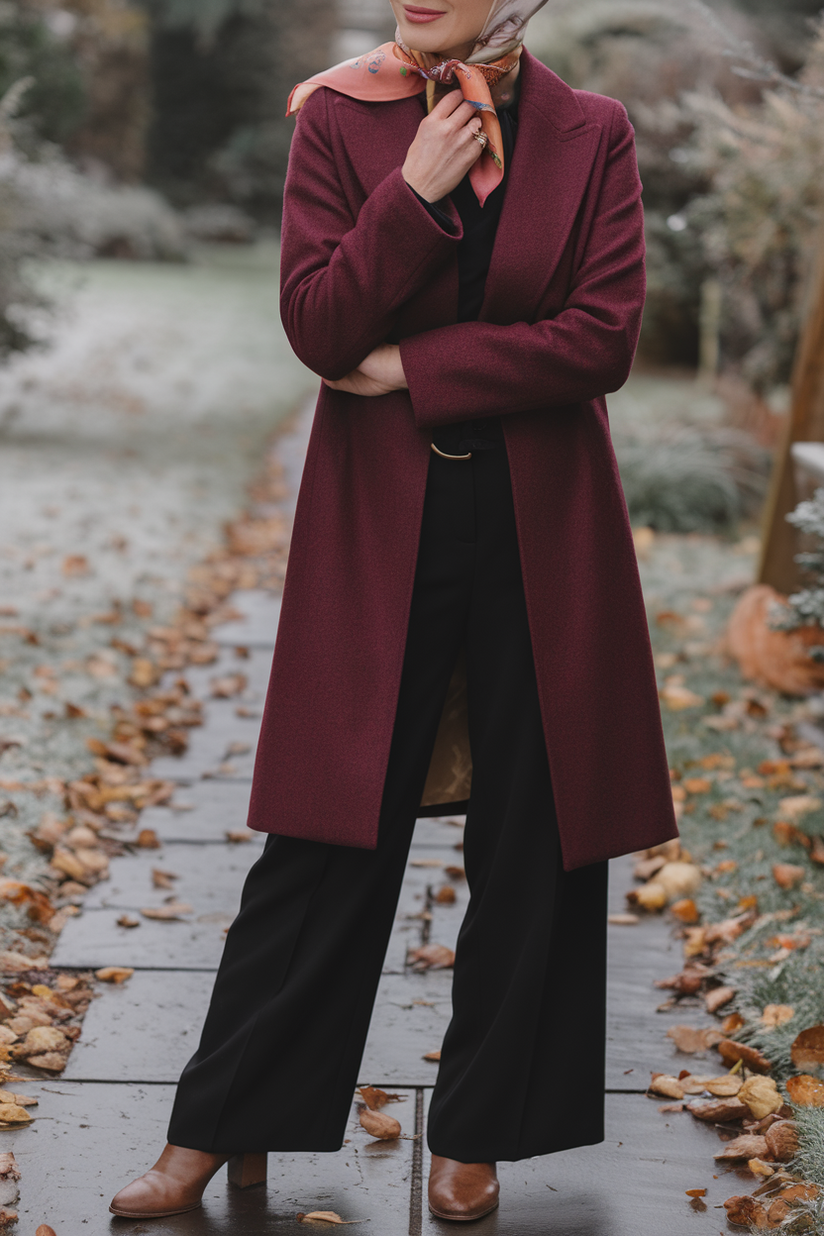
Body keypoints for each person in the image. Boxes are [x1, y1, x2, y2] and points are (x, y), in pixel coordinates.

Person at [110, 0, 679, 1223]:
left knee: (535, 835)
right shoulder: (338, 118)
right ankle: (223, 1121)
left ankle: (478, 1131)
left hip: (544, 527)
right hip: (379, 524)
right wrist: (412, 198)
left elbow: (600, 338)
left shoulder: (594, 133)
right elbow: (317, 322)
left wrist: (411, 368)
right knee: (325, 834)